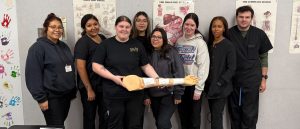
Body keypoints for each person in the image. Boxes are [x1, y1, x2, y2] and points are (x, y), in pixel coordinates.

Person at [92, 15, 159, 129]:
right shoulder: (106, 45)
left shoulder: (137, 45)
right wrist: (114, 78)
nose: (124, 29)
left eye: (127, 27)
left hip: (135, 93)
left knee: (134, 124)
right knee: (115, 124)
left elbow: (146, 66)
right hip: (114, 93)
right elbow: (96, 66)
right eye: (121, 26)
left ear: (131, 28)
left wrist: (157, 78)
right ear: (116, 27)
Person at [25, 13, 77, 126]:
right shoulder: (37, 48)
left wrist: (72, 91)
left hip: (65, 96)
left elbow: (69, 69)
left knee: (59, 124)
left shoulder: (64, 46)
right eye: (53, 27)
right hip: (51, 97)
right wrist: (41, 99)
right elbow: (33, 76)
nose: (57, 30)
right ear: (46, 28)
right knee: (55, 126)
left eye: (59, 27)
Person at [227, 6, 273, 129]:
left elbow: (264, 58)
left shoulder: (259, 34)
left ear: (251, 18)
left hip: (252, 81)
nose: (244, 20)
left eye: (247, 17)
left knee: (250, 115)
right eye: (241, 17)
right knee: (234, 113)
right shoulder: (229, 34)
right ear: (237, 17)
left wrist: (264, 79)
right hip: (234, 81)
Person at [144, 28, 184, 129]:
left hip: (169, 94)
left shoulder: (171, 51)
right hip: (153, 95)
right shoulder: (147, 53)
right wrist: (146, 95)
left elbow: (179, 72)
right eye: (153, 36)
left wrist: (178, 93)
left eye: (159, 37)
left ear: (164, 39)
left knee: (162, 122)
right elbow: (143, 75)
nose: (155, 39)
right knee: (159, 123)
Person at [175, 13, 210, 129]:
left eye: (192, 25)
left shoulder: (200, 43)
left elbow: (203, 67)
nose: (188, 27)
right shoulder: (179, 41)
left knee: (194, 119)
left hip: (194, 86)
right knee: (183, 117)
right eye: (186, 24)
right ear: (183, 25)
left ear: (196, 27)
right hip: (180, 86)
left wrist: (199, 89)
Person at [74, 14, 106, 129]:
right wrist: (89, 89)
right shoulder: (82, 42)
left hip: (102, 86)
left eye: (95, 24)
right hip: (89, 87)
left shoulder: (103, 38)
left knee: (105, 116)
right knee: (89, 117)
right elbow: (80, 67)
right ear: (84, 28)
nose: (93, 27)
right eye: (89, 25)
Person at [205, 16, 236, 129]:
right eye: (214, 26)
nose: (216, 29)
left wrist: (220, 83)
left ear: (224, 28)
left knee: (216, 117)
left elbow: (232, 68)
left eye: (219, 26)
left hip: (221, 89)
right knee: (214, 116)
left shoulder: (229, 45)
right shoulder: (209, 44)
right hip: (209, 87)